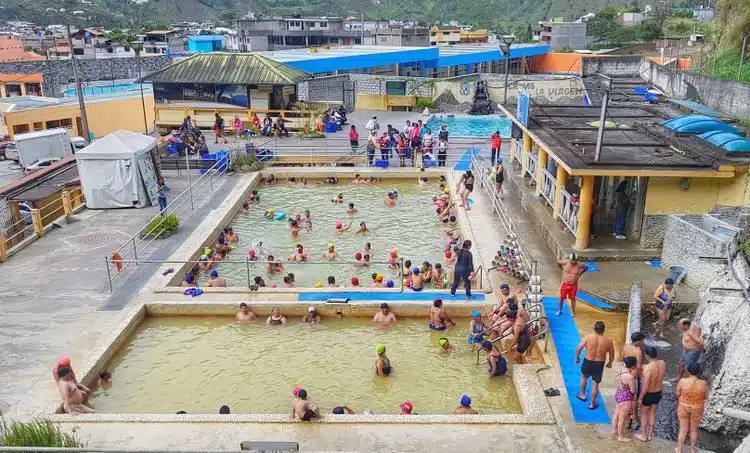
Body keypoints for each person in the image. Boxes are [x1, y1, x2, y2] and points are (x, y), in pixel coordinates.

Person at [575, 321, 614, 409]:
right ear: (604, 330)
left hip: (588, 361)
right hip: (599, 363)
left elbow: (579, 348)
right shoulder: (608, 341)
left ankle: (582, 395)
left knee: (584, 377)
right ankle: (592, 404)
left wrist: (577, 358)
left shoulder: (588, 337)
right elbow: (612, 354)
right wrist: (610, 363)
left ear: (594, 329)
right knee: (595, 384)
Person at [635, 345, 666, 443]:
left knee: (644, 415)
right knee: (653, 413)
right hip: (658, 392)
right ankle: (650, 434)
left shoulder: (648, 368)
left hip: (648, 394)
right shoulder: (662, 363)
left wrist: (640, 397)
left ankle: (643, 435)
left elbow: (645, 386)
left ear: (647, 355)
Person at [675, 362, 708, 453]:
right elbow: (706, 396)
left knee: (683, 429)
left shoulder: (682, 381)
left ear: (688, 371)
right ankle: (693, 449)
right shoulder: (704, 383)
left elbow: (677, 393)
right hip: (697, 408)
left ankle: (679, 449)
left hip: (683, 406)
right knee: (693, 430)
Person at [622, 331, 646, 430]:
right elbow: (639, 367)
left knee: (626, 395)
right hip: (634, 376)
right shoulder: (638, 351)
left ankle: (627, 414)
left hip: (625, 374)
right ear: (638, 341)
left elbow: (623, 358)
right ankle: (635, 418)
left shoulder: (625, 347)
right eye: (642, 341)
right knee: (634, 398)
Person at [612, 356, 638, 443]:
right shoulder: (630, 377)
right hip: (626, 398)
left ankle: (614, 430)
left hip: (619, 394)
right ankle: (620, 436)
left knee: (616, 414)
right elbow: (633, 390)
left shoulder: (620, 370)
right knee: (622, 418)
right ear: (633, 366)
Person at [557, 252, 587, 317]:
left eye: (575, 261)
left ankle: (573, 312)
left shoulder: (580, 265)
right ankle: (559, 310)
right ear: (570, 260)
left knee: (573, 298)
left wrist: (580, 274)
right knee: (562, 298)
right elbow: (558, 262)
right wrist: (562, 269)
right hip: (565, 283)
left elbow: (585, 268)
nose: (573, 262)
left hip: (573, 285)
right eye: (572, 261)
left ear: (577, 260)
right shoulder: (565, 262)